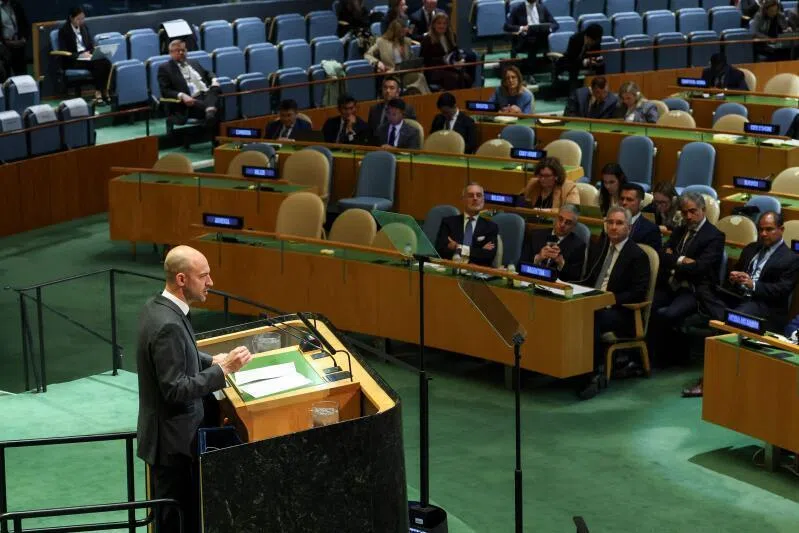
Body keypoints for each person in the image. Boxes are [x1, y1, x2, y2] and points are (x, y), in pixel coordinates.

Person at [137, 245, 252, 533]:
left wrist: (211, 360)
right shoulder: (168, 325)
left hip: (169, 438)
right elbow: (174, 389)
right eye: (203, 276)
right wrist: (224, 370)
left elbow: (178, 353)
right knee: (176, 524)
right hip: (174, 446)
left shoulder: (158, 307)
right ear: (181, 279)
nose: (210, 282)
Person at [579, 206, 650, 400]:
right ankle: (570, 366)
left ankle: (592, 374)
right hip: (593, 303)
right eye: (610, 222)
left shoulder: (637, 255)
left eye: (619, 223)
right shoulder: (600, 247)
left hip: (621, 312)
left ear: (629, 227)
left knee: (591, 318)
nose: (613, 227)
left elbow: (638, 293)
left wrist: (607, 299)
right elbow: (588, 279)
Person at [651, 192, 725, 371]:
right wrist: (682, 260)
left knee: (669, 314)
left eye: (693, 211)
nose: (689, 216)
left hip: (694, 289)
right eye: (685, 213)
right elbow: (661, 255)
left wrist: (673, 258)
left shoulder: (714, 236)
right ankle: (650, 355)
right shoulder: (680, 230)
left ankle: (670, 357)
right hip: (672, 284)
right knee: (648, 305)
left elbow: (700, 268)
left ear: (703, 210)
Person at [722, 211, 799, 332]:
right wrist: (734, 278)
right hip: (738, 296)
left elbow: (781, 290)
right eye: (760, 229)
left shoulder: (791, 258)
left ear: (781, 229)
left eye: (769, 229)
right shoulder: (751, 248)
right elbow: (736, 270)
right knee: (709, 303)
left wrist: (753, 285)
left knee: (732, 318)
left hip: (765, 307)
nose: (763, 234)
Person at [158, 39, 221, 128]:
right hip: (190, 101)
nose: (181, 53)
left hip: (205, 94)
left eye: (183, 50)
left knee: (215, 88)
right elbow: (165, 91)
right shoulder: (165, 68)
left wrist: (214, 80)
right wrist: (182, 95)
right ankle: (210, 110)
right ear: (171, 53)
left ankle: (209, 111)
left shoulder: (193, 62)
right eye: (177, 51)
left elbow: (208, 73)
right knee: (217, 106)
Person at [435, 182, 499, 267]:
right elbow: (440, 250)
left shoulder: (491, 227)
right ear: (463, 200)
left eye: (479, 195)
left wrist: (458, 247)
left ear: (483, 200)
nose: (475, 198)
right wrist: (479, 251)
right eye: (470, 195)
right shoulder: (448, 222)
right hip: (451, 268)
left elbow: (488, 256)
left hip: (477, 271)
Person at [57, 7, 112, 104]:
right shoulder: (64, 31)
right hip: (73, 60)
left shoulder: (84, 27)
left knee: (106, 62)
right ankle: (99, 92)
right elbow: (64, 51)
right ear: (71, 18)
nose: (81, 21)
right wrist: (80, 55)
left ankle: (103, 90)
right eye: (78, 19)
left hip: (87, 56)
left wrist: (94, 51)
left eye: (83, 18)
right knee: (97, 64)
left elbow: (90, 45)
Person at [520, 203, 586, 282]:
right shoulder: (535, 235)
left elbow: (575, 277)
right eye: (560, 219)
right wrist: (538, 258)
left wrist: (561, 264)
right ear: (555, 218)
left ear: (573, 226)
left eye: (568, 222)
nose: (562, 224)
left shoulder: (578, 245)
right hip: (530, 280)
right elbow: (520, 264)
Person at [365, 21, 430, 94]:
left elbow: (410, 59)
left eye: (404, 33)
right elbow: (367, 54)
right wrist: (377, 63)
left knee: (420, 77)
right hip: (392, 74)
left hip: (405, 71)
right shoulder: (381, 42)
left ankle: (426, 97)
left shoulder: (406, 41)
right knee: (417, 82)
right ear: (394, 32)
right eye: (401, 33)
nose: (403, 36)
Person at [503, 0, 559, 81]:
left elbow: (555, 24)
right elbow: (507, 26)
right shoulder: (518, 9)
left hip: (541, 39)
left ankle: (556, 72)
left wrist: (549, 28)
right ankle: (530, 74)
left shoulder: (542, 8)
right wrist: (522, 28)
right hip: (524, 40)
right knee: (533, 42)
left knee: (544, 41)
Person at [419, 12, 475, 90]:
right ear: (434, 25)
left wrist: (460, 60)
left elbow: (456, 51)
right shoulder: (427, 39)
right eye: (439, 23)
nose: (442, 26)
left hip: (450, 67)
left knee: (467, 78)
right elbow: (425, 60)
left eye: (444, 23)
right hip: (434, 70)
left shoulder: (451, 36)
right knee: (454, 79)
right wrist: (445, 61)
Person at [557, 23, 604, 91]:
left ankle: (599, 89)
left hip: (588, 62)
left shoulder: (596, 41)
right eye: (592, 41)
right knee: (574, 67)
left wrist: (596, 60)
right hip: (571, 62)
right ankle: (573, 93)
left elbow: (596, 54)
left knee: (601, 65)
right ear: (587, 37)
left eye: (595, 42)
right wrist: (584, 62)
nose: (593, 43)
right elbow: (571, 58)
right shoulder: (574, 39)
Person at [619, 183, 662, 252]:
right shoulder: (611, 223)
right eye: (622, 199)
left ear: (640, 203)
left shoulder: (651, 230)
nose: (624, 203)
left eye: (629, 199)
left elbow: (650, 257)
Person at [0, 0, 29, 76]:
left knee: (22, 75)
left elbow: (24, 24)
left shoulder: (16, 4)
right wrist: (5, 42)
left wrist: (24, 39)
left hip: (19, 45)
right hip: (4, 48)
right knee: (6, 76)